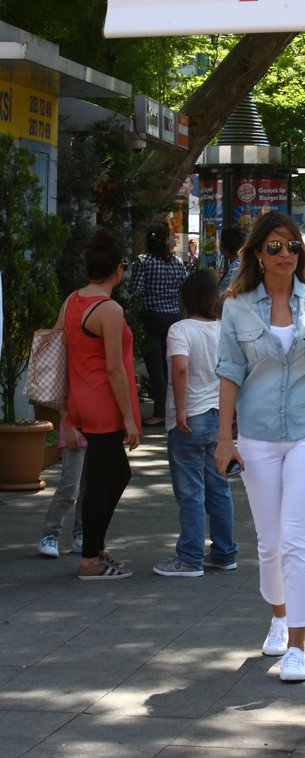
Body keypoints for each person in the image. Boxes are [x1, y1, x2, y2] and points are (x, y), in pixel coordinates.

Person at [214, 211, 305, 682]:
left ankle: (297, 646)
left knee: (294, 539)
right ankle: (278, 614)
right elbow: (229, 371)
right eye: (274, 246)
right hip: (257, 433)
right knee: (269, 543)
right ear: (257, 253)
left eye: (292, 245)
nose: (285, 254)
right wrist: (225, 438)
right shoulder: (236, 306)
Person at [61, 229, 141, 580]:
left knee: (117, 474)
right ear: (118, 268)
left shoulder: (72, 300)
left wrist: (65, 412)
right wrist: (129, 418)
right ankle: (90, 559)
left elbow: (59, 349)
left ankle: (94, 546)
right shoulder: (109, 309)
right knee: (99, 481)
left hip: (81, 398)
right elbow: (114, 368)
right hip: (103, 403)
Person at [153, 270, 238, 578]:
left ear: (185, 298)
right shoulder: (223, 329)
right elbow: (233, 371)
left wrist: (180, 410)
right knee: (218, 487)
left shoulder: (180, 329)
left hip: (190, 418)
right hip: (218, 416)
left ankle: (190, 557)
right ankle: (224, 552)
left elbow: (180, 369)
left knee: (190, 491)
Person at [130, 223, 187, 427]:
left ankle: (160, 411)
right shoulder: (177, 263)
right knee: (170, 365)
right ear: (167, 239)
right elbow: (184, 289)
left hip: (150, 317)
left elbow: (135, 290)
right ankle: (175, 408)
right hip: (173, 318)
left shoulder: (143, 261)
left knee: (155, 367)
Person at [37, 417, 86, 558]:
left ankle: (81, 534)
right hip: (75, 431)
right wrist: (69, 428)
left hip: (100, 433)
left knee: (89, 488)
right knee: (70, 487)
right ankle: (50, 534)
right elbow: (63, 404)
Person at [218, 227, 244, 292]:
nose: (220, 249)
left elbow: (232, 292)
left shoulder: (236, 266)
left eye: (221, 245)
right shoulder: (237, 263)